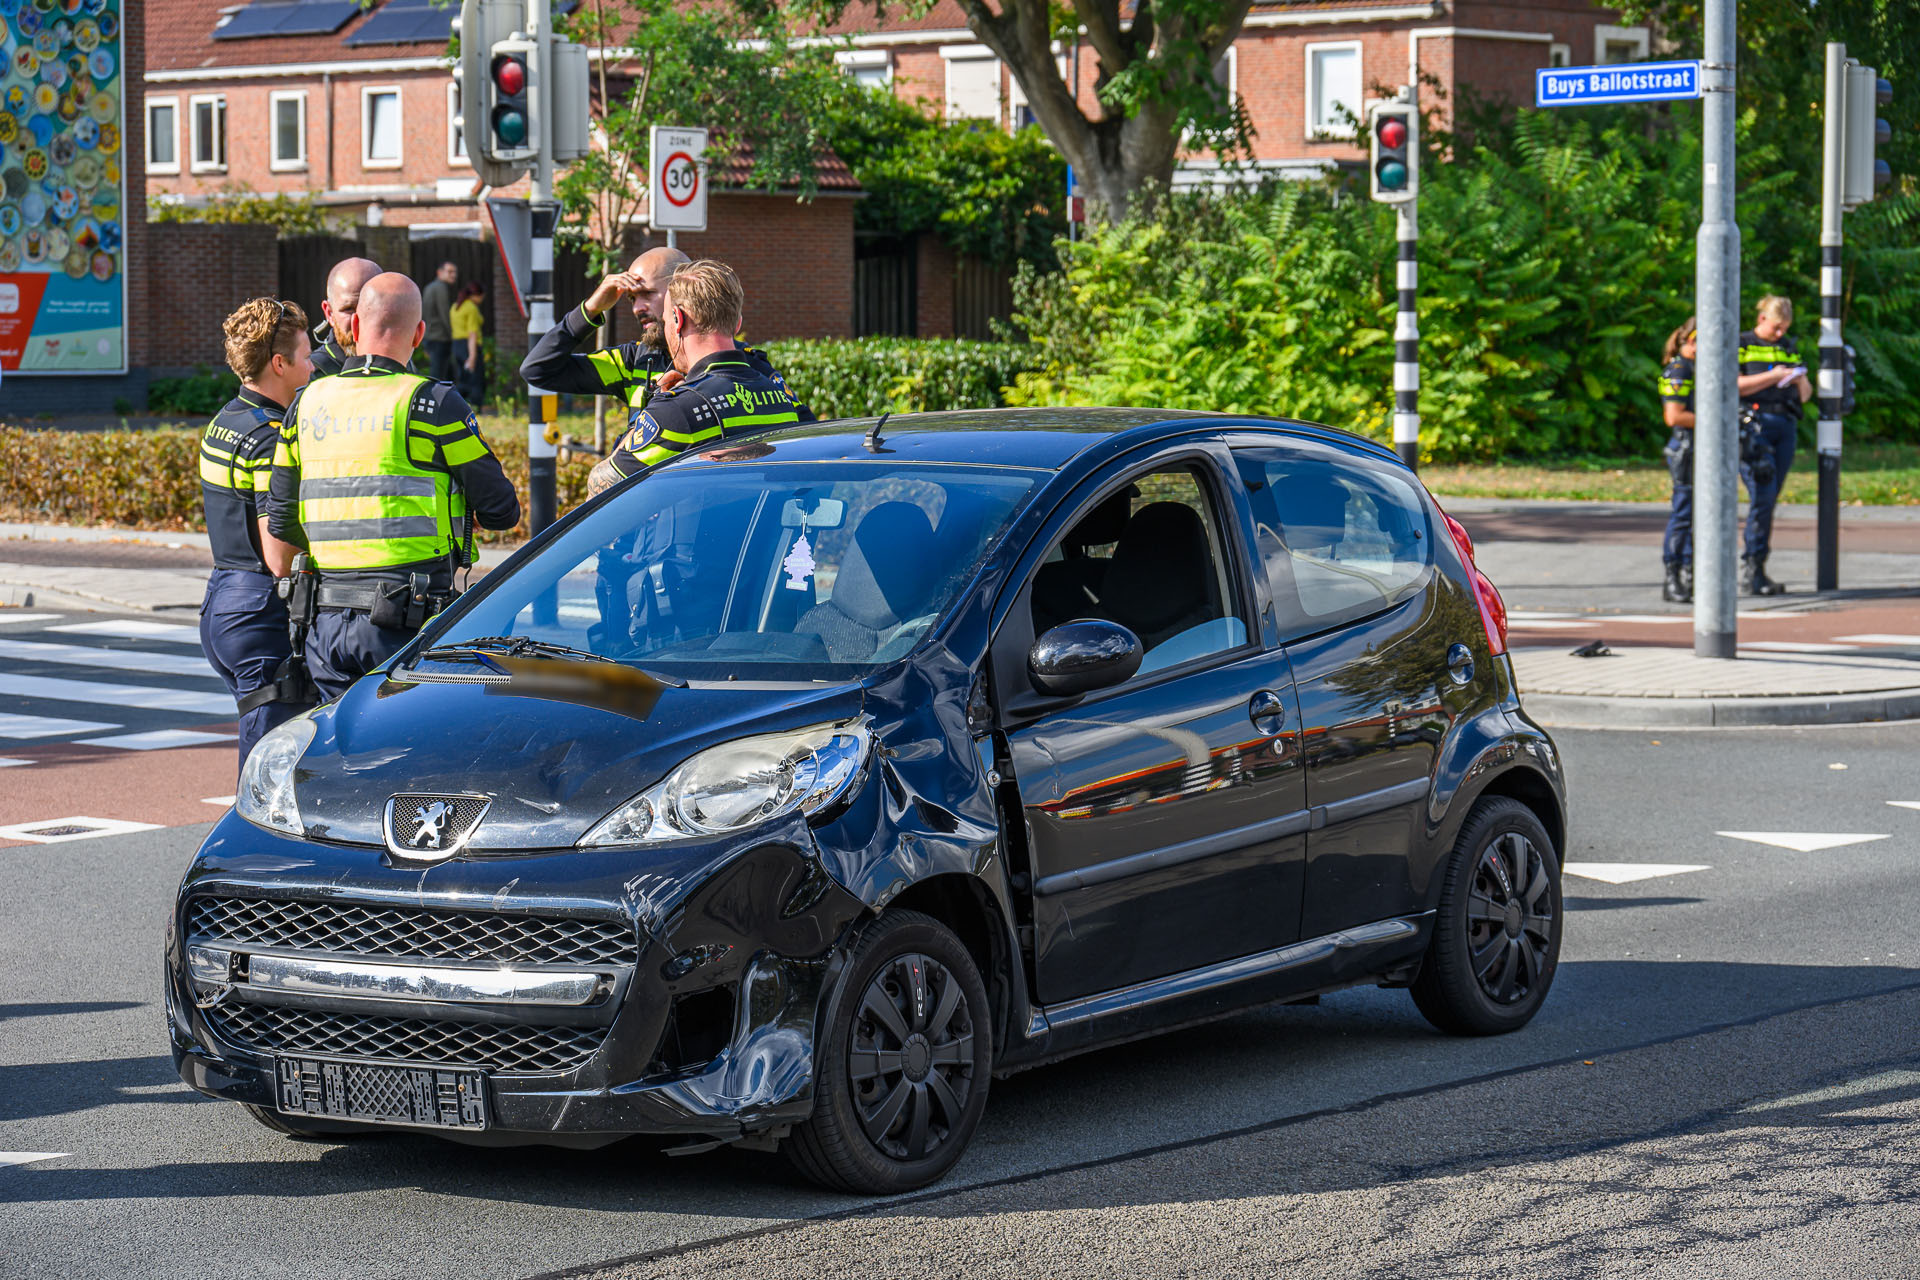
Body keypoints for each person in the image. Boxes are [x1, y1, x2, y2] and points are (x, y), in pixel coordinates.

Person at [266, 272, 521, 701]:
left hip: (325, 624)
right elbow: (501, 511)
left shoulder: (306, 403)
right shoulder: (432, 404)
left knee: (339, 754)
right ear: (419, 334)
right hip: (407, 620)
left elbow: (281, 521)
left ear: (356, 327)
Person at [201, 298, 318, 770]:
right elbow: (277, 556)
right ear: (279, 363)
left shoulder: (225, 420)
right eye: (307, 357)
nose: (312, 367)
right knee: (268, 770)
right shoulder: (271, 438)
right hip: (259, 610)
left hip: (221, 602)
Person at [584, 259, 814, 498]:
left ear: (677, 319)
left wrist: (653, 409)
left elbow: (602, 488)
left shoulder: (675, 412)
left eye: (665, 321)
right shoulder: (781, 399)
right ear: (737, 324)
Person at [1735, 295, 1811, 596]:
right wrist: (1774, 376)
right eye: (1777, 328)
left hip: (1785, 425)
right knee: (1762, 496)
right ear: (1762, 318)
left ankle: (1758, 567)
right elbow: (1732, 383)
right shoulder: (1743, 343)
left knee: (1770, 498)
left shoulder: (1788, 348)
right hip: (1754, 427)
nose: (1780, 335)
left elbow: (1805, 394)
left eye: (1785, 329)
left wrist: (1796, 380)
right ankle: (1751, 568)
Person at [1658, 318, 1697, 604]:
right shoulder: (1680, 369)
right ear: (1685, 342)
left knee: (1699, 516)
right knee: (1683, 514)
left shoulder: (1697, 367)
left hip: (1699, 449)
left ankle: (1691, 573)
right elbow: (1673, 416)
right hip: (1686, 449)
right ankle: (1672, 577)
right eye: (1695, 342)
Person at [309, 257, 381, 379]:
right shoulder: (312, 375)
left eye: (370, 307)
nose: (358, 320)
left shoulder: (402, 364)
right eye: (349, 309)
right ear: (329, 313)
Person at [421, 260, 459, 384]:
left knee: (441, 373)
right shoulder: (441, 287)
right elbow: (444, 314)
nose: (453, 275)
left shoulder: (429, 287)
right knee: (440, 376)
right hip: (440, 338)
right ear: (439, 272)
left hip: (430, 336)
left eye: (455, 272)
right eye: (450, 272)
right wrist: (453, 335)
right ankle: (439, 402)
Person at [451, 282, 486, 406]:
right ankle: (476, 405)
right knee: (476, 379)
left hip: (456, 346)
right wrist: (472, 357)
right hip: (469, 346)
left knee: (462, 378)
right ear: (476, 295)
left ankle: (458, 405)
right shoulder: (471, 308)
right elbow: (472, 334)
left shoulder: (455, 307)